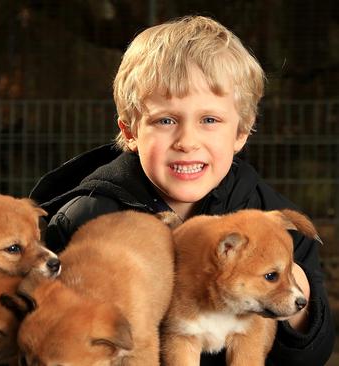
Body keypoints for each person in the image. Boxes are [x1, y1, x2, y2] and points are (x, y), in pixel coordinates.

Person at [30, 15, 334, 365]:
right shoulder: (89, 217)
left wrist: (294, 297)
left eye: (209, 120)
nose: (187, 142)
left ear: (241, 132)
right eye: (166, 120)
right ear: (130, 131)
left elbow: (313, 354)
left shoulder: (270, 217)